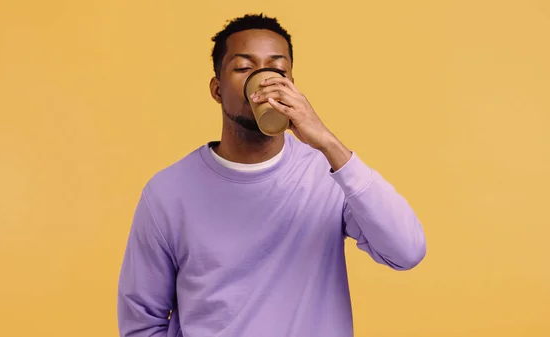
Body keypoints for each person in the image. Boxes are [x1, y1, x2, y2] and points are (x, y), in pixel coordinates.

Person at [117, 13, 426, 337]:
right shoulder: (167, 193)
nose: (264, 81)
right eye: (243, 68)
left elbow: (406, 251)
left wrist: (327, 142)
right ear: (217, 89)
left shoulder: (329, 174)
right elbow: (141, 322)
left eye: (278, 70)